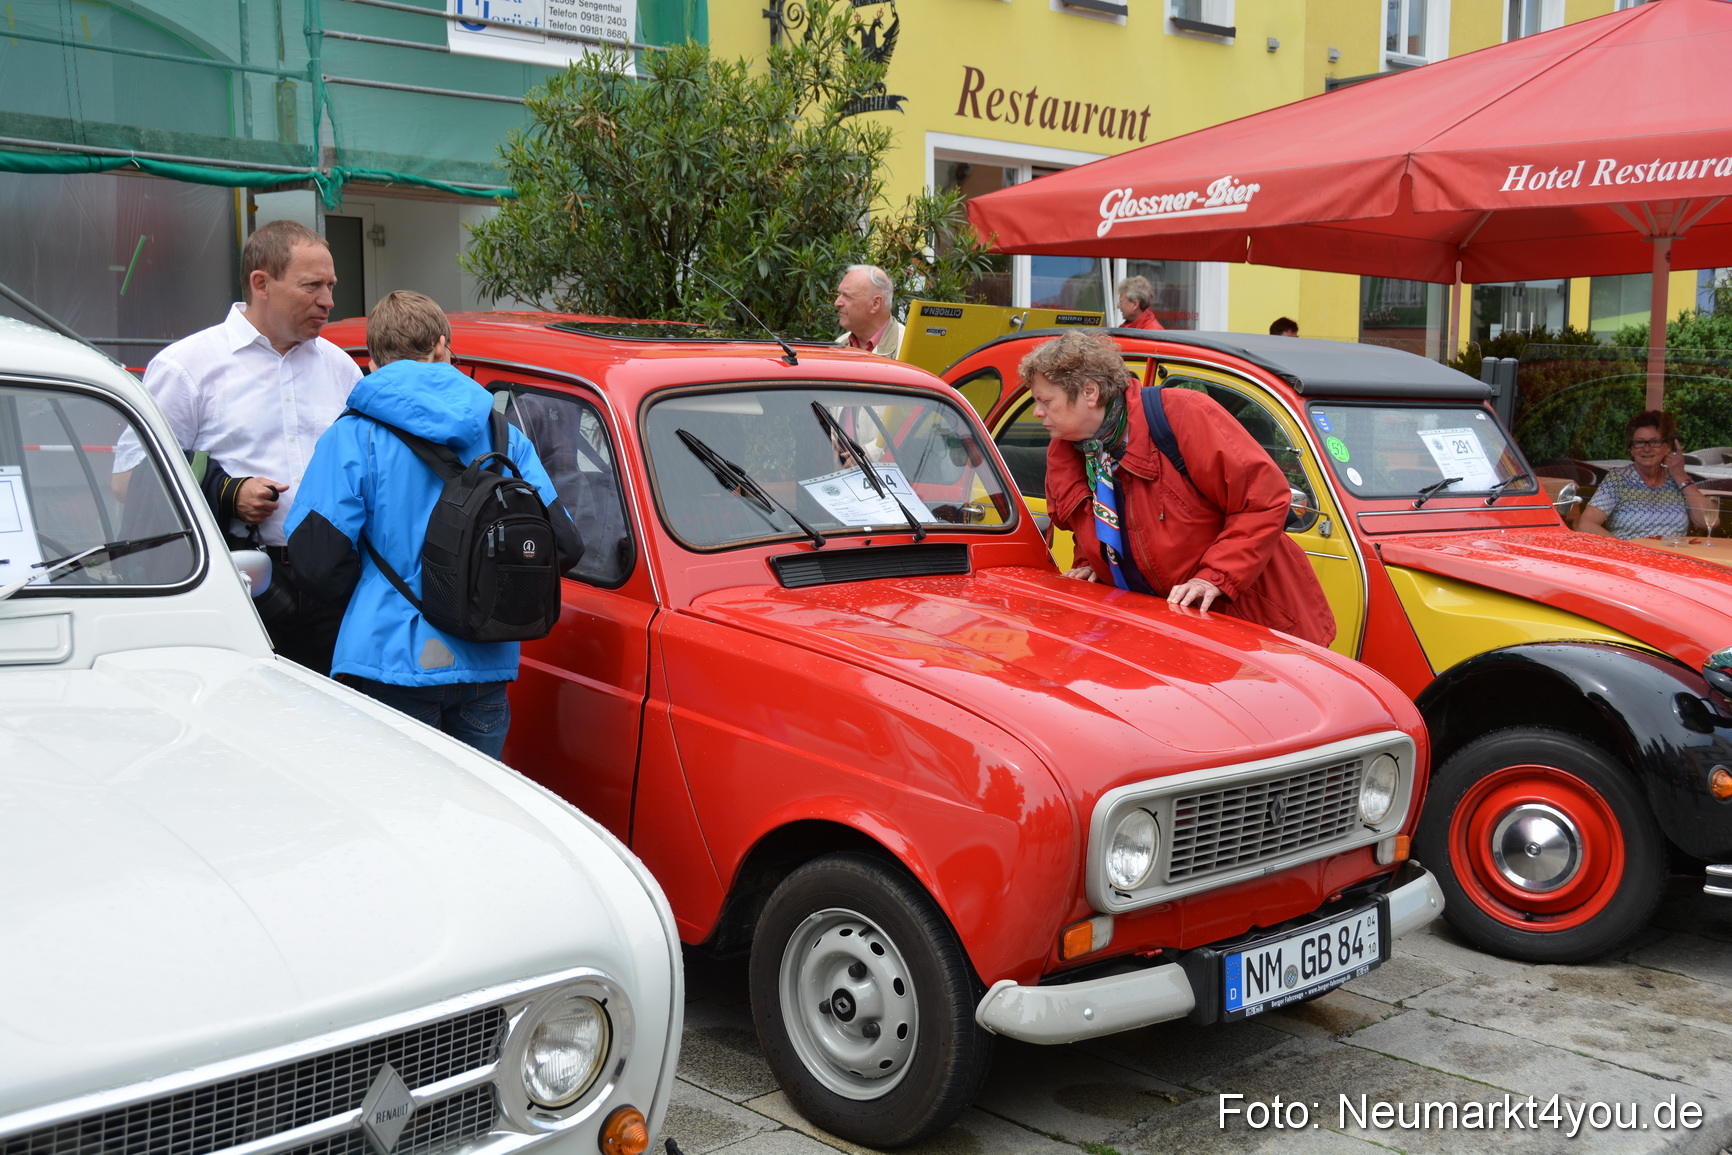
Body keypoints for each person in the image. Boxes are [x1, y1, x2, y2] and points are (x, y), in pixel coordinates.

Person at [284, 291, 580, 757]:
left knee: (397, 817)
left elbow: (317, 562)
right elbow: (564, 544)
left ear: (375, 357)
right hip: (484, 662)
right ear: (442, 346)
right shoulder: (505, 434)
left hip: (387, 662)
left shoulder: (351, 436)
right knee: (473, 818)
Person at [111, 218, 360, 674]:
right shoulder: (189, 365)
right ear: (261, 283)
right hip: (236, 584)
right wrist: (226, 492)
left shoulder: (341, 369)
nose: (328, 301)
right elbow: (129, 480)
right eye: (312, 286)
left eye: (331, 285)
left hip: (334, 587)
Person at [1032, 330, 1334, 646]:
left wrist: (1214, 576)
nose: (1038, 412)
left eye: (1045, 400)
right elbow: (1089, 522)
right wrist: (1093, 563)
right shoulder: (1069, 448)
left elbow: (1264, 499)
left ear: (1089, 392)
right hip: (1164, 636)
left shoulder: (1183, 414)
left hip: (1252, 631)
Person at [1578, 409, 1710, 540]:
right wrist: (1625, 550)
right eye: (1639, 442)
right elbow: (1585, 524)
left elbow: (1707, 522)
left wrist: (1680, 476)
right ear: (1631, 449)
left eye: (1654, 442)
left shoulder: (1678, 480)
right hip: (1632, 558)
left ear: (1668, 447)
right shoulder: (1618, 479)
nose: (1646, 449)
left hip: (1673, 557)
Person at [834, 264, 904, 356]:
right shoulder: (840, 344)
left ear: (875, 304)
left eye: (847, 296)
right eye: (840, 294)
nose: (837, 303)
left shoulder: (908, 347)